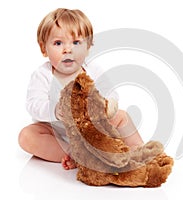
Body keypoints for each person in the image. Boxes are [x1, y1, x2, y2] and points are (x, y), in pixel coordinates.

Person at [18, 8, 144, 170]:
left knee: (121, 116)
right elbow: (33, 105)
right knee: (27, 136)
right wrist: (56, 110)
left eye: (76, 42)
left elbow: (110, 91)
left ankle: (138, 150)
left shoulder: (93, 69)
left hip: (93, 129)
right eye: (58, 43)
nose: (68, 49)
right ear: (44, 48)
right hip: (58, 132)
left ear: (88, 47)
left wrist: (105, 106)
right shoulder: (42, 75)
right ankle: (75, 155)